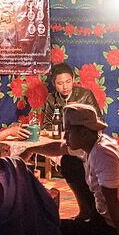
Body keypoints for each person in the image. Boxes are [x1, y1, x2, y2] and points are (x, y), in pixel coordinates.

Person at [34, 103, 119, 235]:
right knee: (69, 161)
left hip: (111, 223)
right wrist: (30, 150)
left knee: (47, 229)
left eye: (69, 132)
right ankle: (85, 213)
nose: (65, 137)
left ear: (83, 133)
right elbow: (59, 147)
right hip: (100, 209)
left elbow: (112, 201)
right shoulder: (90, 143)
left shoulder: (103, 154)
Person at [40, 62, 103, 217]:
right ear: (54, 84)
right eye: (60, 83)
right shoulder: (51, 99)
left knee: (73, 162)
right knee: (68, 162)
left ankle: (91, 210)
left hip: (84, 141)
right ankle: (84, 209)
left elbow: (99, 120)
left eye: (68, 82)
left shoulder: (85, 95)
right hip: (65, 141)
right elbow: (47, 125)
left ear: (73, 79)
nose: (65, 87)